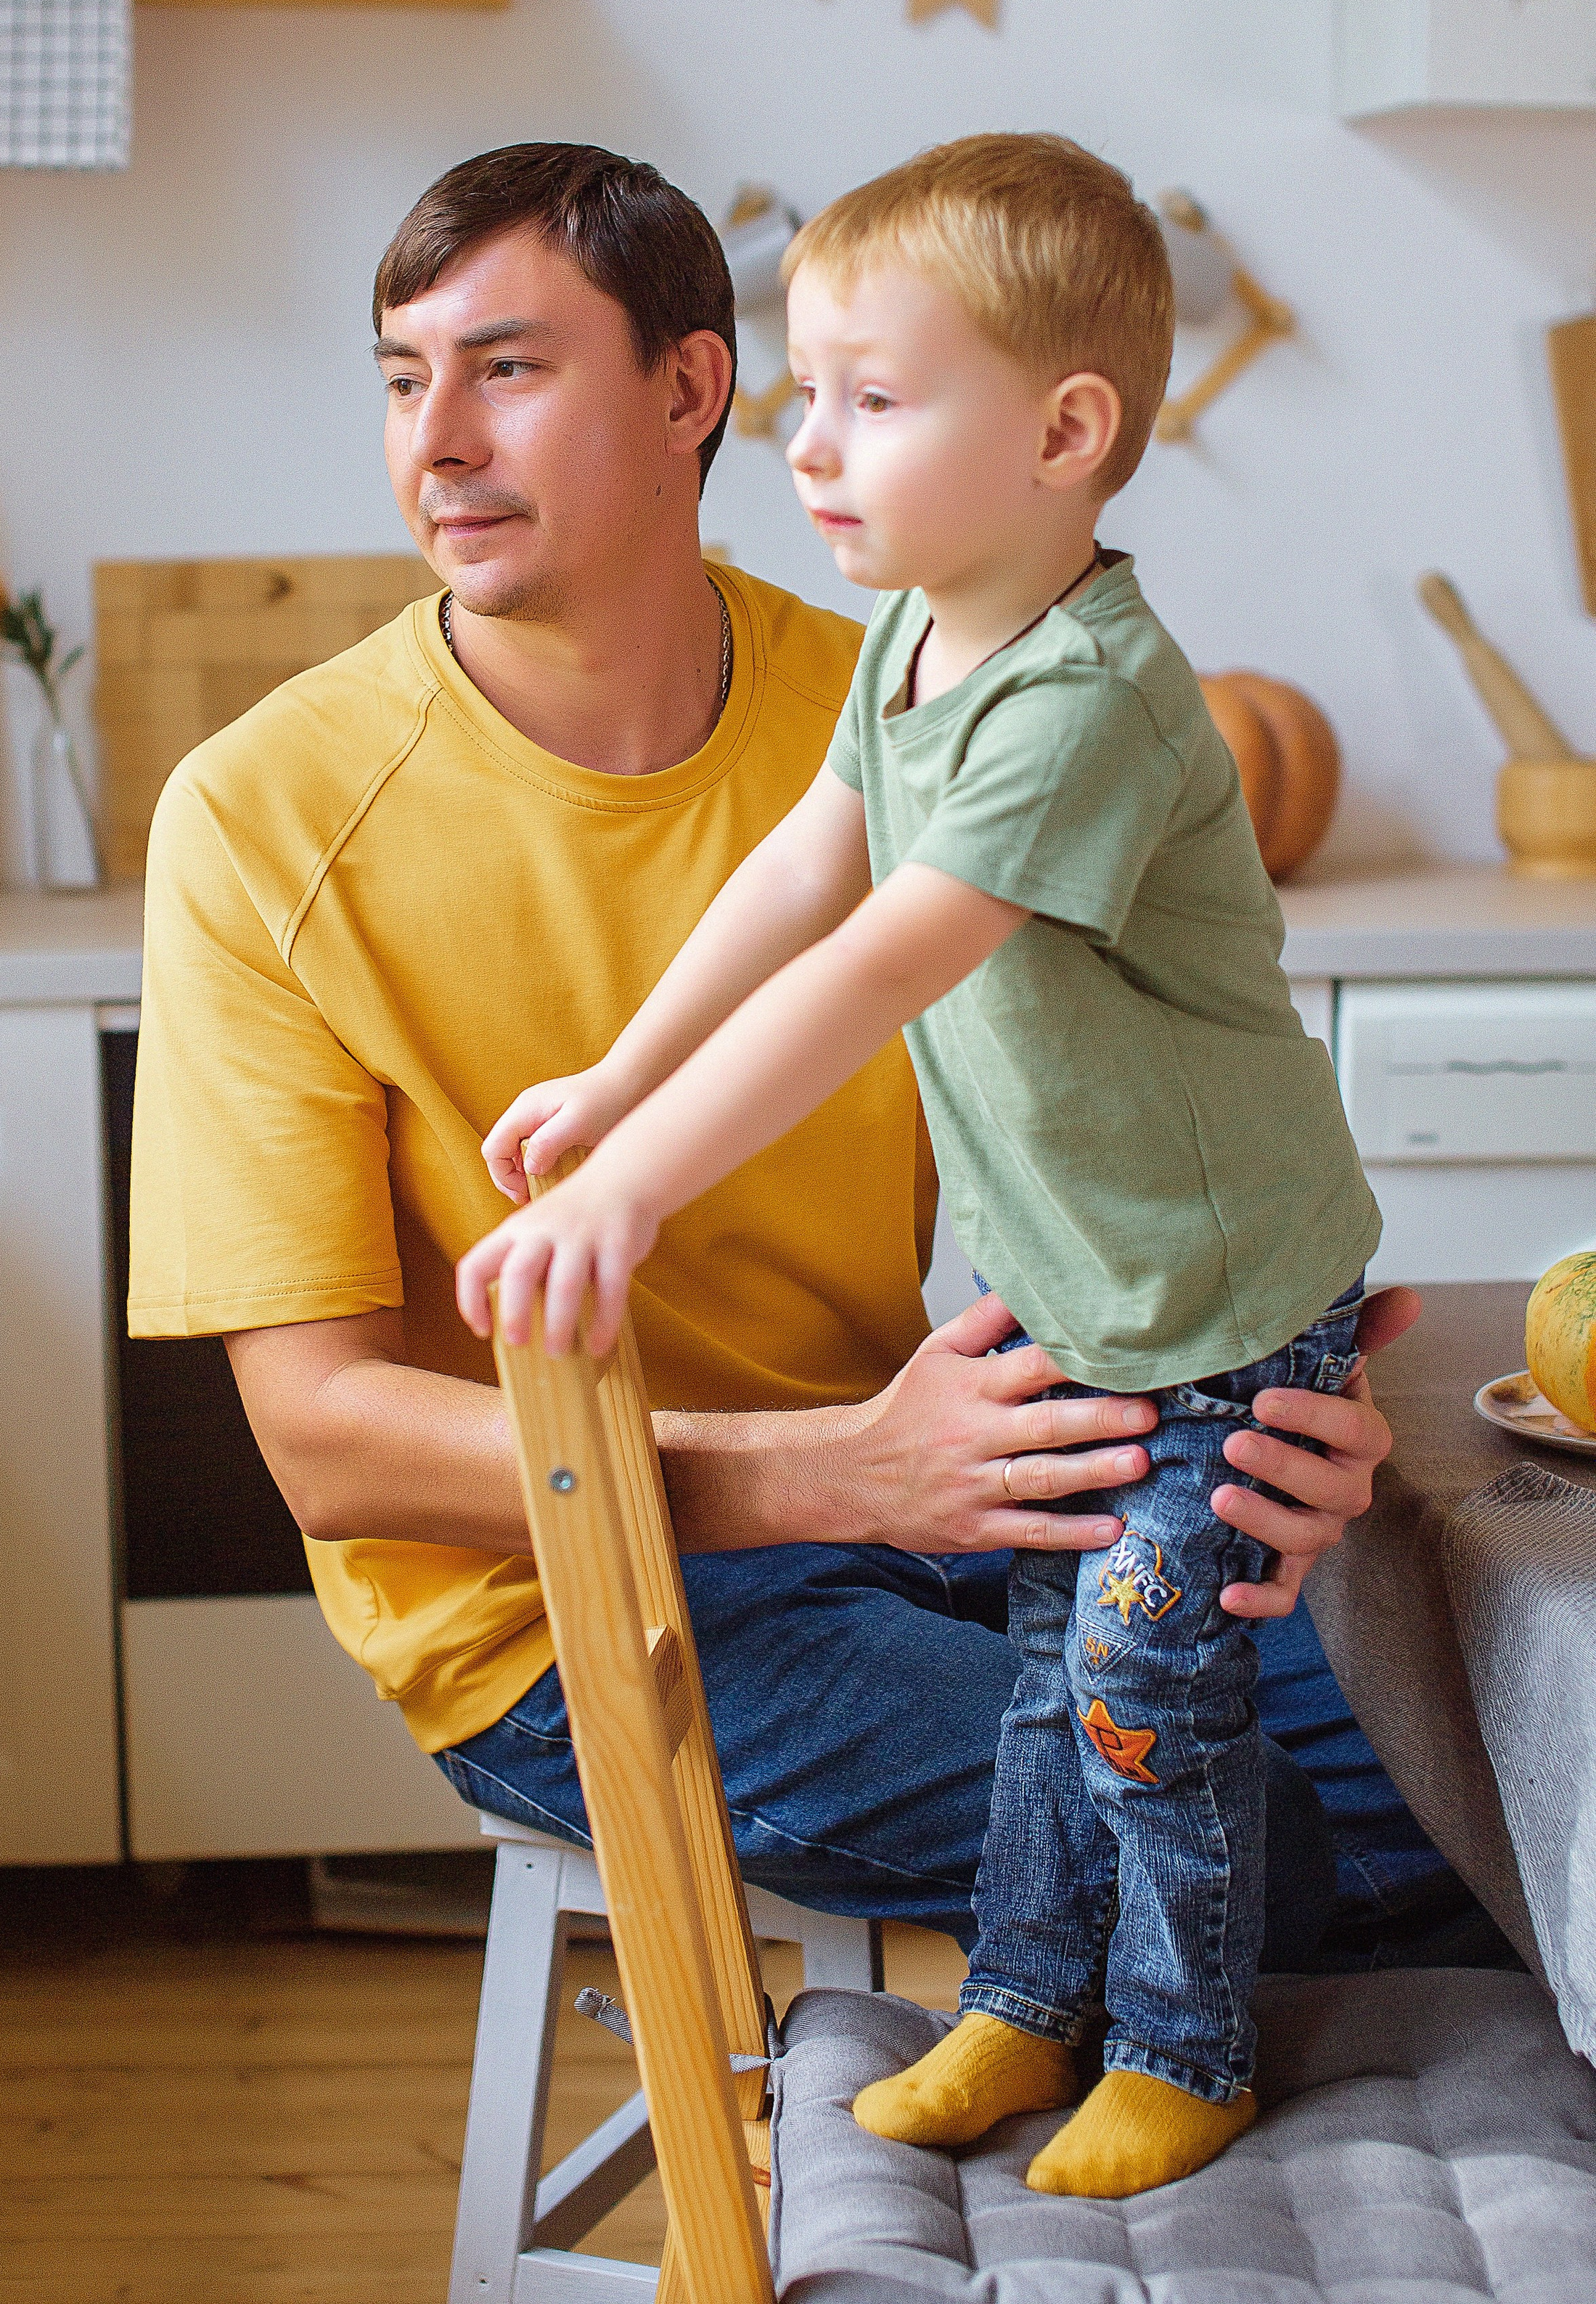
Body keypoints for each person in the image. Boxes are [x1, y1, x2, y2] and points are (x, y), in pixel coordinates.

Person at [128, 139, 1428, 2044]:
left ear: (691, 389)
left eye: (506, 368)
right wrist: (832, 1468)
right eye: (404, 380)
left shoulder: (923, 687)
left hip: (935, 1489)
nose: (436, 443)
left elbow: (1157, 1105)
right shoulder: (263, 815)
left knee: (1461, 1777)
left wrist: (1251, 1409)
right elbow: (324, 1442)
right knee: (1276, 1857)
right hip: (564, 1607)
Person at [457, 135, 1386, 2202]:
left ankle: (1187, 2038)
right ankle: (1029, 1996)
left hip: (1220, 1302)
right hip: (1087, 1288)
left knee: (1147, 1671)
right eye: (806, 393)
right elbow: (811, 871)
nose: (812, 444)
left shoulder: (1089, 709)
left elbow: (886, 960)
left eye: (874, 400)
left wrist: (637, 1190)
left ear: (1067, 434)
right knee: (1058, 1676)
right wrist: (619, 1078)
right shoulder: (917, 646)